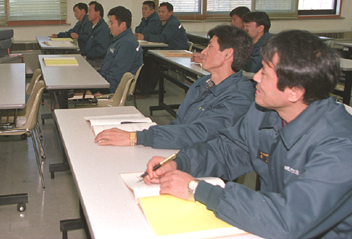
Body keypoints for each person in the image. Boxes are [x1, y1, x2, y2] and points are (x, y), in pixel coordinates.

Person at [143, 30, 352, 239]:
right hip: (272, 225)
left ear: (294, 92)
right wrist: (179, 163)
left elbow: (288, 221)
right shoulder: (266, 112)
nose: (255, 77)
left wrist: (197, 189)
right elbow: (227, 150)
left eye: (264, 73)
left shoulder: (343, 148)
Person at [95, 25, 254, 149]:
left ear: (227, 54)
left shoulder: (240, 95)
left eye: (210, 47)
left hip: (203, 165)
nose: (203, 52)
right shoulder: (201, 83)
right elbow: (179, 124)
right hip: (181, 150)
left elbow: (198, 134)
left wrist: (136, 137)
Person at [97, 6, 143, 93]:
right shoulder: (119, 40)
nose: (109, 26)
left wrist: (101, 92)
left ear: (122, 25)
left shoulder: (126, 44)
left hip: (112, 87)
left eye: (111, 23)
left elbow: (117, 76)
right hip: (105, 79)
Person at [82, 1, 111, 68]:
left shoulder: (103, 29)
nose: (88, 14)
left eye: (90, 11)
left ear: (98, 13)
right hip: (92, 58)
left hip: (98, 61)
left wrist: (86, 56)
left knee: (80, 64)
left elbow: (101, 50)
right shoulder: (95, 27)